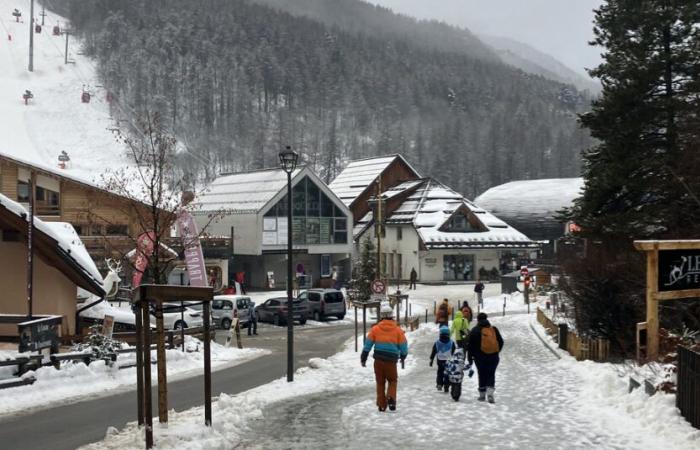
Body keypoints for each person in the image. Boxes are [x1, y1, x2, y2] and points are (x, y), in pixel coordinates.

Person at [361, 304, 408, 412]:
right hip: (391, 361)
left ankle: (382, 405)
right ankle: (391, 397)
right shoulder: (397, 330)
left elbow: (368, 344)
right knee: (392, 380)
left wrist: (364, 356)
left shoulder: (375, 329)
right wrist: (403, 355)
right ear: (392, 316)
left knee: (380, 382)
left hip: (378, 361)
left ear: (381, 316)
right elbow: (403, 345)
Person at [467, 312, 504, 403]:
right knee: (491, 374)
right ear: (487, 319)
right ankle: (490, 394)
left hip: (479, 357)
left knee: (482, 374)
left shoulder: (475, 330)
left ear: (478, 320)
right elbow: (501, 341)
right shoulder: (493, 329)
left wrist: (470, 359)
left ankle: (482, 395)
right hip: (493, 357)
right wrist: (496, 351)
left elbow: (470, 346)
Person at [429, 325, 455, 392]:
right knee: (448, 373)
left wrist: (431, 359)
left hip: (440, 360)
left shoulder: (437, 342)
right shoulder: (451, 342)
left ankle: (439, 384)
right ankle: (447, 385)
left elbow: (434, 351)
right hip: (449, 360)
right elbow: (454, 352)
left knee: (440, 372)